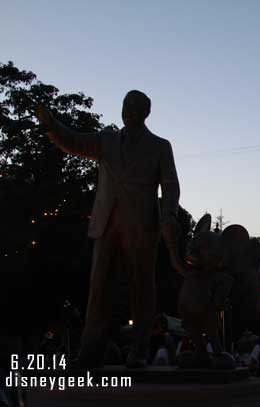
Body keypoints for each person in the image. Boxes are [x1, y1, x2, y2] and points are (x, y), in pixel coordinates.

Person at [35, 91, 185, 369]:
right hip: (106, 223)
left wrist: (169, 216)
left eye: (134, 107)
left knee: (142, 287)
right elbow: (74, 141)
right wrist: (51, 123)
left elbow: (171, 183)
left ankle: (139, 349)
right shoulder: (107, 140)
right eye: (125, 106)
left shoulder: (160, 146)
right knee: (99, 286)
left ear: (145, 113)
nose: (128, 111)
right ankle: (91, 351)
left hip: (142, 224)